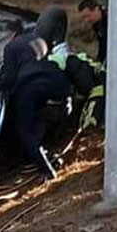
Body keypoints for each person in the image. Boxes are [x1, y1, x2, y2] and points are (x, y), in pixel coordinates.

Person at [10, 37, 73, 181]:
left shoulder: (12, 52)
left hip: (38, 97)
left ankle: (46, 170)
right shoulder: (45, 58)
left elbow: (25, 131)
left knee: (25, 132)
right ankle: (50, 154)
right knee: (40, 126)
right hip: (65, 100)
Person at [78, 0, 108, 65]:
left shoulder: (110, 17)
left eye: (88, 16)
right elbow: (102, 44)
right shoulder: (96, 24)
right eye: (84, 18)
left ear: (96, 9)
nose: (86, 20)